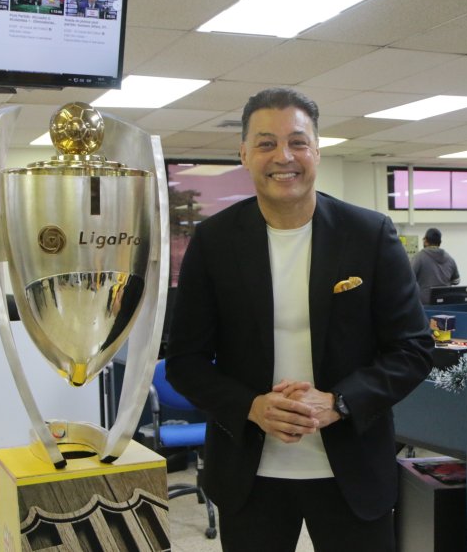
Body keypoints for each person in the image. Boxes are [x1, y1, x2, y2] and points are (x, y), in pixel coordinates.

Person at [165, 87, 433, 551]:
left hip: (353, 469)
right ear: (244, 154)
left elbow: (413, 349)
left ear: (317, 151)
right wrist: (252, 407)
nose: (283, 156)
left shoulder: (369, 235)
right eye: (266, 143)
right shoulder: (213, 243)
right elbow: (185, 362)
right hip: (249, 473)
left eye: (297, 142)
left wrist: (339, 402)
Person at [411, 227, 460, 302]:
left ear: (426, 241)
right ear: (440, 242)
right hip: (445, 303)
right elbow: (456, 281)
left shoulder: (418, 257)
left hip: (425, 304)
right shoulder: (450, 259)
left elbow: (408, 279)